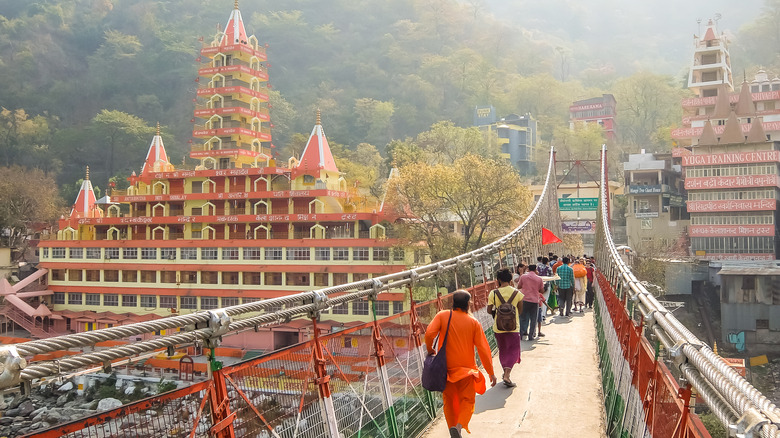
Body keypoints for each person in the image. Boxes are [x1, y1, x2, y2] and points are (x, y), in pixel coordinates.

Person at [425, 290, 497, 438]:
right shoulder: (473, 323)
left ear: (453, 303)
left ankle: (452, 428)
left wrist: (430, 348)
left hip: (446, 371)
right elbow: (483, 349)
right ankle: (458, 427)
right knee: (468, 401)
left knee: (449, 402)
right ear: (468, 304)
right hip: (467, 371)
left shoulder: (443, 316)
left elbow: (429, 333)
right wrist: (491, 372)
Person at [486, 268, 523, 387]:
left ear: (498, 280)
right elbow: (520, 310)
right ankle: (507, 374)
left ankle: (505, 372)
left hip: (499, 328)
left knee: (503, 350)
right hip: (513, 327)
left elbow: (488, 310)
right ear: (511, 279)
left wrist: (497, 313)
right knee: (513, 350)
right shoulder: (517, 293)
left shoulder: (493, 293)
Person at [518, 264, 544, 340]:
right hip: (534, 301)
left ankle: (521, 334)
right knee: (533, 318)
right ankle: (531, 335)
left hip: (524, 299)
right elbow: (541, 291)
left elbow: (519, 286)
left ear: (528, 269)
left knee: (523, 317)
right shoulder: (539, 279)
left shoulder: (523, 277)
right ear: (536, 269)